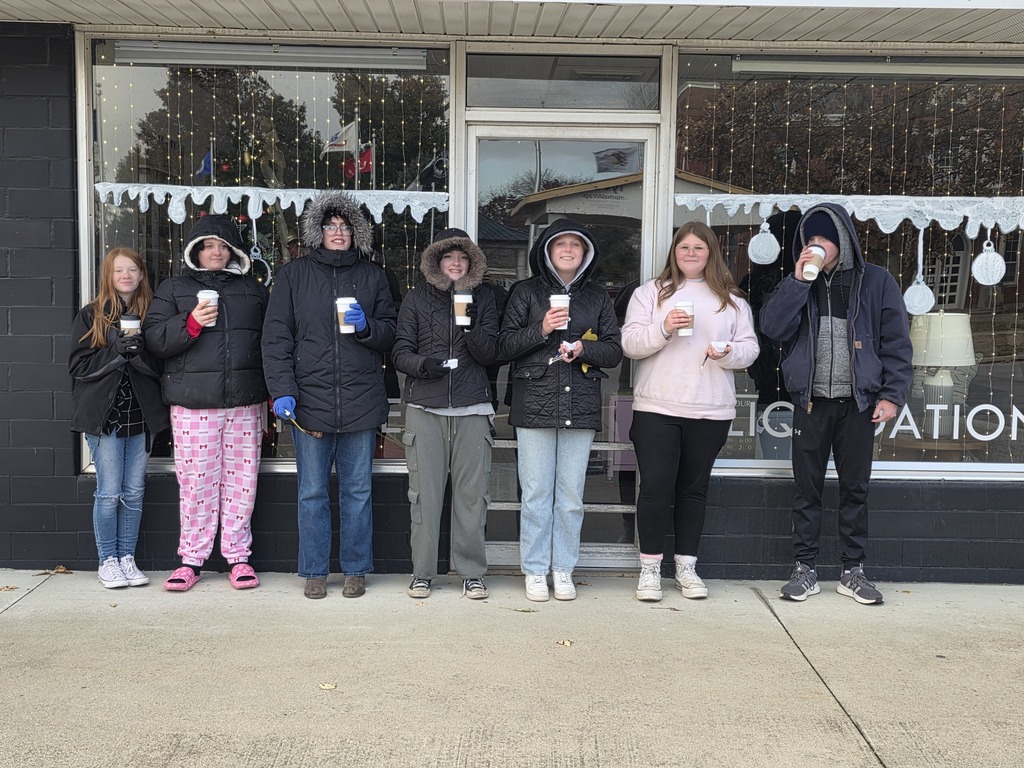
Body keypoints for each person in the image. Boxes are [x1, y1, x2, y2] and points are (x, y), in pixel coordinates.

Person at [760, 203, 912, 605]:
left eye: (823, 239)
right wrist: (797, 282)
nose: (816, 246)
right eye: (809, 240)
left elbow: (897, 344)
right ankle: (805, 569)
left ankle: (852, 570)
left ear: (842, 240)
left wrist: (892, 395)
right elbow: (772, 328)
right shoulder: (797, 283)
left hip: (858, 403)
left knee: (854, 489)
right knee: (806, 489)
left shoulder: (875, 281)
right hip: (811, 403)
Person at [262, 191, 397, 600]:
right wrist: (282, 390)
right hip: (309, 404)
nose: (337, 233)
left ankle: (356, 569)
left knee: (358, 492)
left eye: (345, 227)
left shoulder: (373, 276)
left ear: (356, 233)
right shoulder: (292, 275)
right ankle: (315, 570)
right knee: (312, 492)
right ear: (317, 232)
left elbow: (392, 333)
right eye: (330, 227)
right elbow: (275, 339)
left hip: (361, 401)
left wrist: (367, 326)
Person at [622, 222, 758, 602]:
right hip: (657, 407)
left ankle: (686, 567)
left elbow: (750, 349)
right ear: (674, 252)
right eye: (685, 247)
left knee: (693, 491)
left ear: (711, 252)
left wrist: (728, 352)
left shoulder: (731, 299)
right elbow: (630, 344)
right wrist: (663, 328)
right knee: (655, 489)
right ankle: (649, 569)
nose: (692, 254)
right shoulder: (652, 292)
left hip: (711, 409)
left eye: (700, 247)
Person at [499, 219, 622, 602]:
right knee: (536, 493)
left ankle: (563, 568)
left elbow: (615, 351)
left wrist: (585, 349)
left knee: (570, 496)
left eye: (575, 245)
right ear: (548, 251)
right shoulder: (525, 292)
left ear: (585, 253)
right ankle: (535, 570)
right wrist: (541, 328)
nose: (568, 250)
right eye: (560, 244)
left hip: (581, 402)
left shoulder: (599, 296)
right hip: (533, 400)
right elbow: (503, 347)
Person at [144, 214, 269, 592]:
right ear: (195, 250)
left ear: (233, 250)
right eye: (208, 245)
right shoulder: (174, 288)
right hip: (192, 403)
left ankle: (238, 557)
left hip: (244, 402)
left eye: (222, 245)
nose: (216, 251)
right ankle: (191, 561)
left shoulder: (253, 289)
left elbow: (274, 341)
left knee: (242, 483)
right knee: (196, 482)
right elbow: (155, 339)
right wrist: (191, 322)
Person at [392, 228, 499, 600]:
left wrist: (468, 324)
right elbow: (400, 351)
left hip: (472, 408)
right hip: (425, 407)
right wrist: (425, 365)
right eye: (449, 257)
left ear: (472, 264)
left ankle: (471, 572)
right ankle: (422, 572)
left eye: (463, 257)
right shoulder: (417, 299)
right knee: (425, 496)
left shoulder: (484, 299)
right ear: (436, 262)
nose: (456, 263)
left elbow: (492, 354)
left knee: (472, 497)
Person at [70, 247, 170, 589]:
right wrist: (115, 352)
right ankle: (107, 560)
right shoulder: (91, 315)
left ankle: (127, 557)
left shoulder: (153, 315)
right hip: (105, 419)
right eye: (118, 270)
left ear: (142, 275)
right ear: (108, 277)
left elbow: (163, 369)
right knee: (109, 492)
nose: (125, 275)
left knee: (134, 491)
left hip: (141, 417)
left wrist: (140, 354)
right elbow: (78, 368)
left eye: (132, 269)